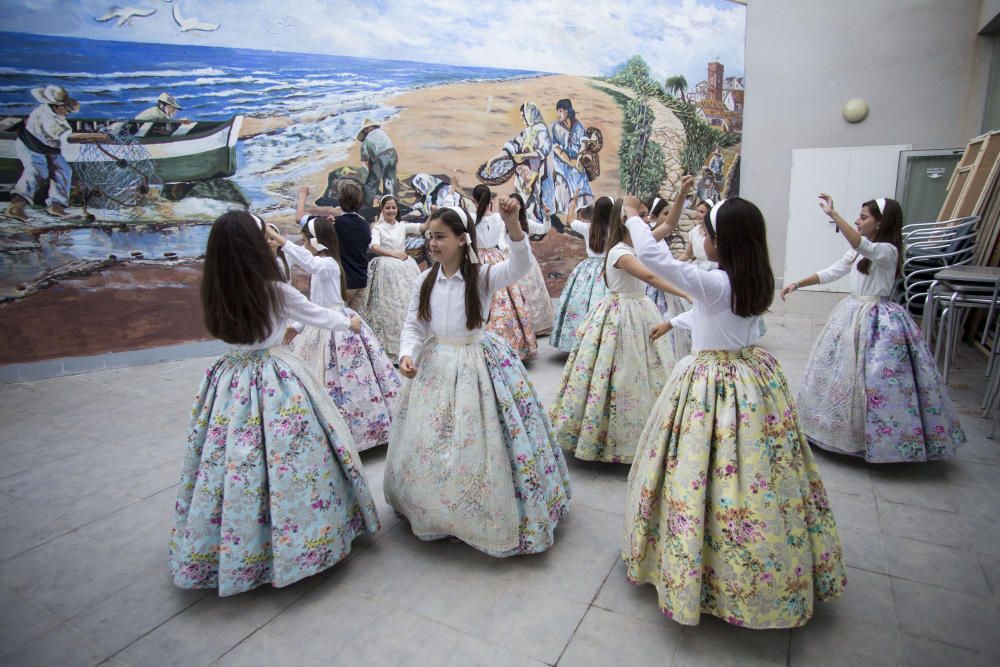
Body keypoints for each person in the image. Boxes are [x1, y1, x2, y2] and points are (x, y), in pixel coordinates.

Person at [621, 197, 846, 628]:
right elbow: (712, 311)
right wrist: (675, 322)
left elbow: (653, 255)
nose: (699, 237)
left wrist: (633, 215)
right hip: (750, 375)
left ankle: (708, 569)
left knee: (702, 469)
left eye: (705, 232)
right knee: (759, 468)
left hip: (711, 385)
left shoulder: (715, 283)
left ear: (722, 243)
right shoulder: (750, 278)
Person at [169, 211, 380, 597]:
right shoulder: (273, 291)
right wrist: (349, 324)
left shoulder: (216, 291)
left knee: (232, 459)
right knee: (293, 457)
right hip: (274, 378)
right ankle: (300, 540)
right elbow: (316, 314)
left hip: (229, 380)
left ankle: (238, 545)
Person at [384, 198, 571, 557]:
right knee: (437, 439)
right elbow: (414, 324)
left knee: (478, 439)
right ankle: (436, 507)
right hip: (436, 365)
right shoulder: (424, 280)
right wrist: (407, 353)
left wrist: (514, 225)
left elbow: (520, 264)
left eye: (440, 237)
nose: (432, 244)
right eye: (429, 237)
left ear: (461, 239)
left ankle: (479, 507)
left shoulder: (483, 276)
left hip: (477, 364)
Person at [783, 195, 966, 462]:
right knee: (840, 375)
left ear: (880, 223)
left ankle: (872, 439)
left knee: (872, 379)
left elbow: (861, 244)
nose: (858, 220)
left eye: (864, 217)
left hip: (877, 321)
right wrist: (797, 284)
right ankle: (833, 430)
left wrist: (834, 214)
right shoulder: (860, 250)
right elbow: (834, 271)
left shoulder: (887, 251)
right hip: (851, 313)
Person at [548, 198, 682, 464]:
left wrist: (681, 196)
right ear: (624, 221)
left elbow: (669, 225)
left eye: (645, 216)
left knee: (644, 372)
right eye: (640, 216)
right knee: (619, 374)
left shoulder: (635, 245)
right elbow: (651, 277)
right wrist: (688, 291)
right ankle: (609, 441)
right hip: (621, 315)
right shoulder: (620, 252)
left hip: (639, 310)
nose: (645, 221)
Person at [275, 215, 401, 451]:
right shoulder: (324, 264)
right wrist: (297, 328)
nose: (304, 247)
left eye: (306, 241)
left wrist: (283, 242)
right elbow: (314, 306)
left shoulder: (328, 264)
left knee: (347, 380)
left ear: (316, 241)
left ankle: (358, 434)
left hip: (338, 327)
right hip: (324, 324)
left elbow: (311, 269)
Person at [5, 85, 109, 221]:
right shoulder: (49, 119)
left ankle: (56, 206)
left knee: (63, 170)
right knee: (37, 172)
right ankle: (15, 208)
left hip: (48, 147)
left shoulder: (52, 112)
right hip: (31, 145)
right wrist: (97, 136)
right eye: (66, 108)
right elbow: (69, 138)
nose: (68, 111)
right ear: (55, 106)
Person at [352, 195, 427, 357]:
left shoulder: (402, 226)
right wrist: (393, 254)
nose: (391, 210)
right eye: (388, 208)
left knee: (407, 303)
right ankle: (390, 347)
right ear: (382, 210)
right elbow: (374, 247)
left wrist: (435, 211)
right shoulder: (379, 228)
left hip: (405, 268)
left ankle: (410, 344)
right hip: (385, 268)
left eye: (394, 207)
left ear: (397, 209)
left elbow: (423, 227)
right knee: (387, 306)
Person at [472, 184, 538, 359]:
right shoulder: (498, 219)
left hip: (478, 260)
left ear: (473, 200)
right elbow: (501, 240)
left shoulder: (471, 218)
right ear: (490, 200)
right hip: (496, 257)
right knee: (507, 298)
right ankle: (513, 344)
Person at [549, 196, 613, 352]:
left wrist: (573, 202)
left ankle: (579, 341)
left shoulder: (588, 227)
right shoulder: (618, 230)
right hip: (609, 268)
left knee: (580, 304)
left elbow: (569, 220)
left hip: (588, 270)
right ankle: (604, 343)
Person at [643, 179, 696, 358]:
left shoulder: (659, 240)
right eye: (665, 213)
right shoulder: (649, 240)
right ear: (652, 217)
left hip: (669, 288)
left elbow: (670, 224)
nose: (668, 217)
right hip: (657, 291)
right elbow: (653, 274)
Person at [500, 102, 554, 225]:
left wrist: (523, 156)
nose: (521, 118)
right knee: (523, 196)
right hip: (524, 171)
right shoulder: (527, 131)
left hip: (537, 170)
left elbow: (543, 151)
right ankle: (525, 223)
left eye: (523, 115)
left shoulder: (541, 130)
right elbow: (515, 143)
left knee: (535, 197)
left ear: (530, 115)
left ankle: (536, 225)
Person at [509, 193, 555, 336]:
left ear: (521, 207)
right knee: (517, 295)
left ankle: (538, 327)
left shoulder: (526, 223)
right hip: (510, 263)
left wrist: (547, 217)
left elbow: (544, 229)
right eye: (512, 203)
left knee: (534, 294)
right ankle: (520, 327)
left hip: (528, 263)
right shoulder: (503, 222)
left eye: (517, 204)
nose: (514, 206)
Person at [328, 180, 372, 306]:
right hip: (361, 281)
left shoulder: (336, 223)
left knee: (339, 320)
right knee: (354, 321)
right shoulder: (364, 224)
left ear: (341, 200)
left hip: (343, 282)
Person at [551, 98, 594, 215]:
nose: (558, 114)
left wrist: (579, 160)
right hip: (562, 164)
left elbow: (583, 145)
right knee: (562, 188)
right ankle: (564, 216)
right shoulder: (555, 127)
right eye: (558, 111)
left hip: (577, 163)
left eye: (560, 111)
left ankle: (582, 213)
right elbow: (557, 150)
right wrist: (570, 161)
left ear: (567, 111)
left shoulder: (578, 126)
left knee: (581, 187)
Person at [357, 118, 398, 206]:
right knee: (390, 180)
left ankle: (367, 206)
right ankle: (390, 202)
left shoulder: (367, 140)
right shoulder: (382, 133)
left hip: (381, 157)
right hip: (392, 154)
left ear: (366, 130)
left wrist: (369, 173)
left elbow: (365, 161)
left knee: (371, 183)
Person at [679, 198, 718, 271]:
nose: (698, 214)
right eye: (697, 211)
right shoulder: (694, 231)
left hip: (714, 269)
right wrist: (674, 263)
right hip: (698, 268)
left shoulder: (717, 232)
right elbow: (687, 254)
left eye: (702, 212)